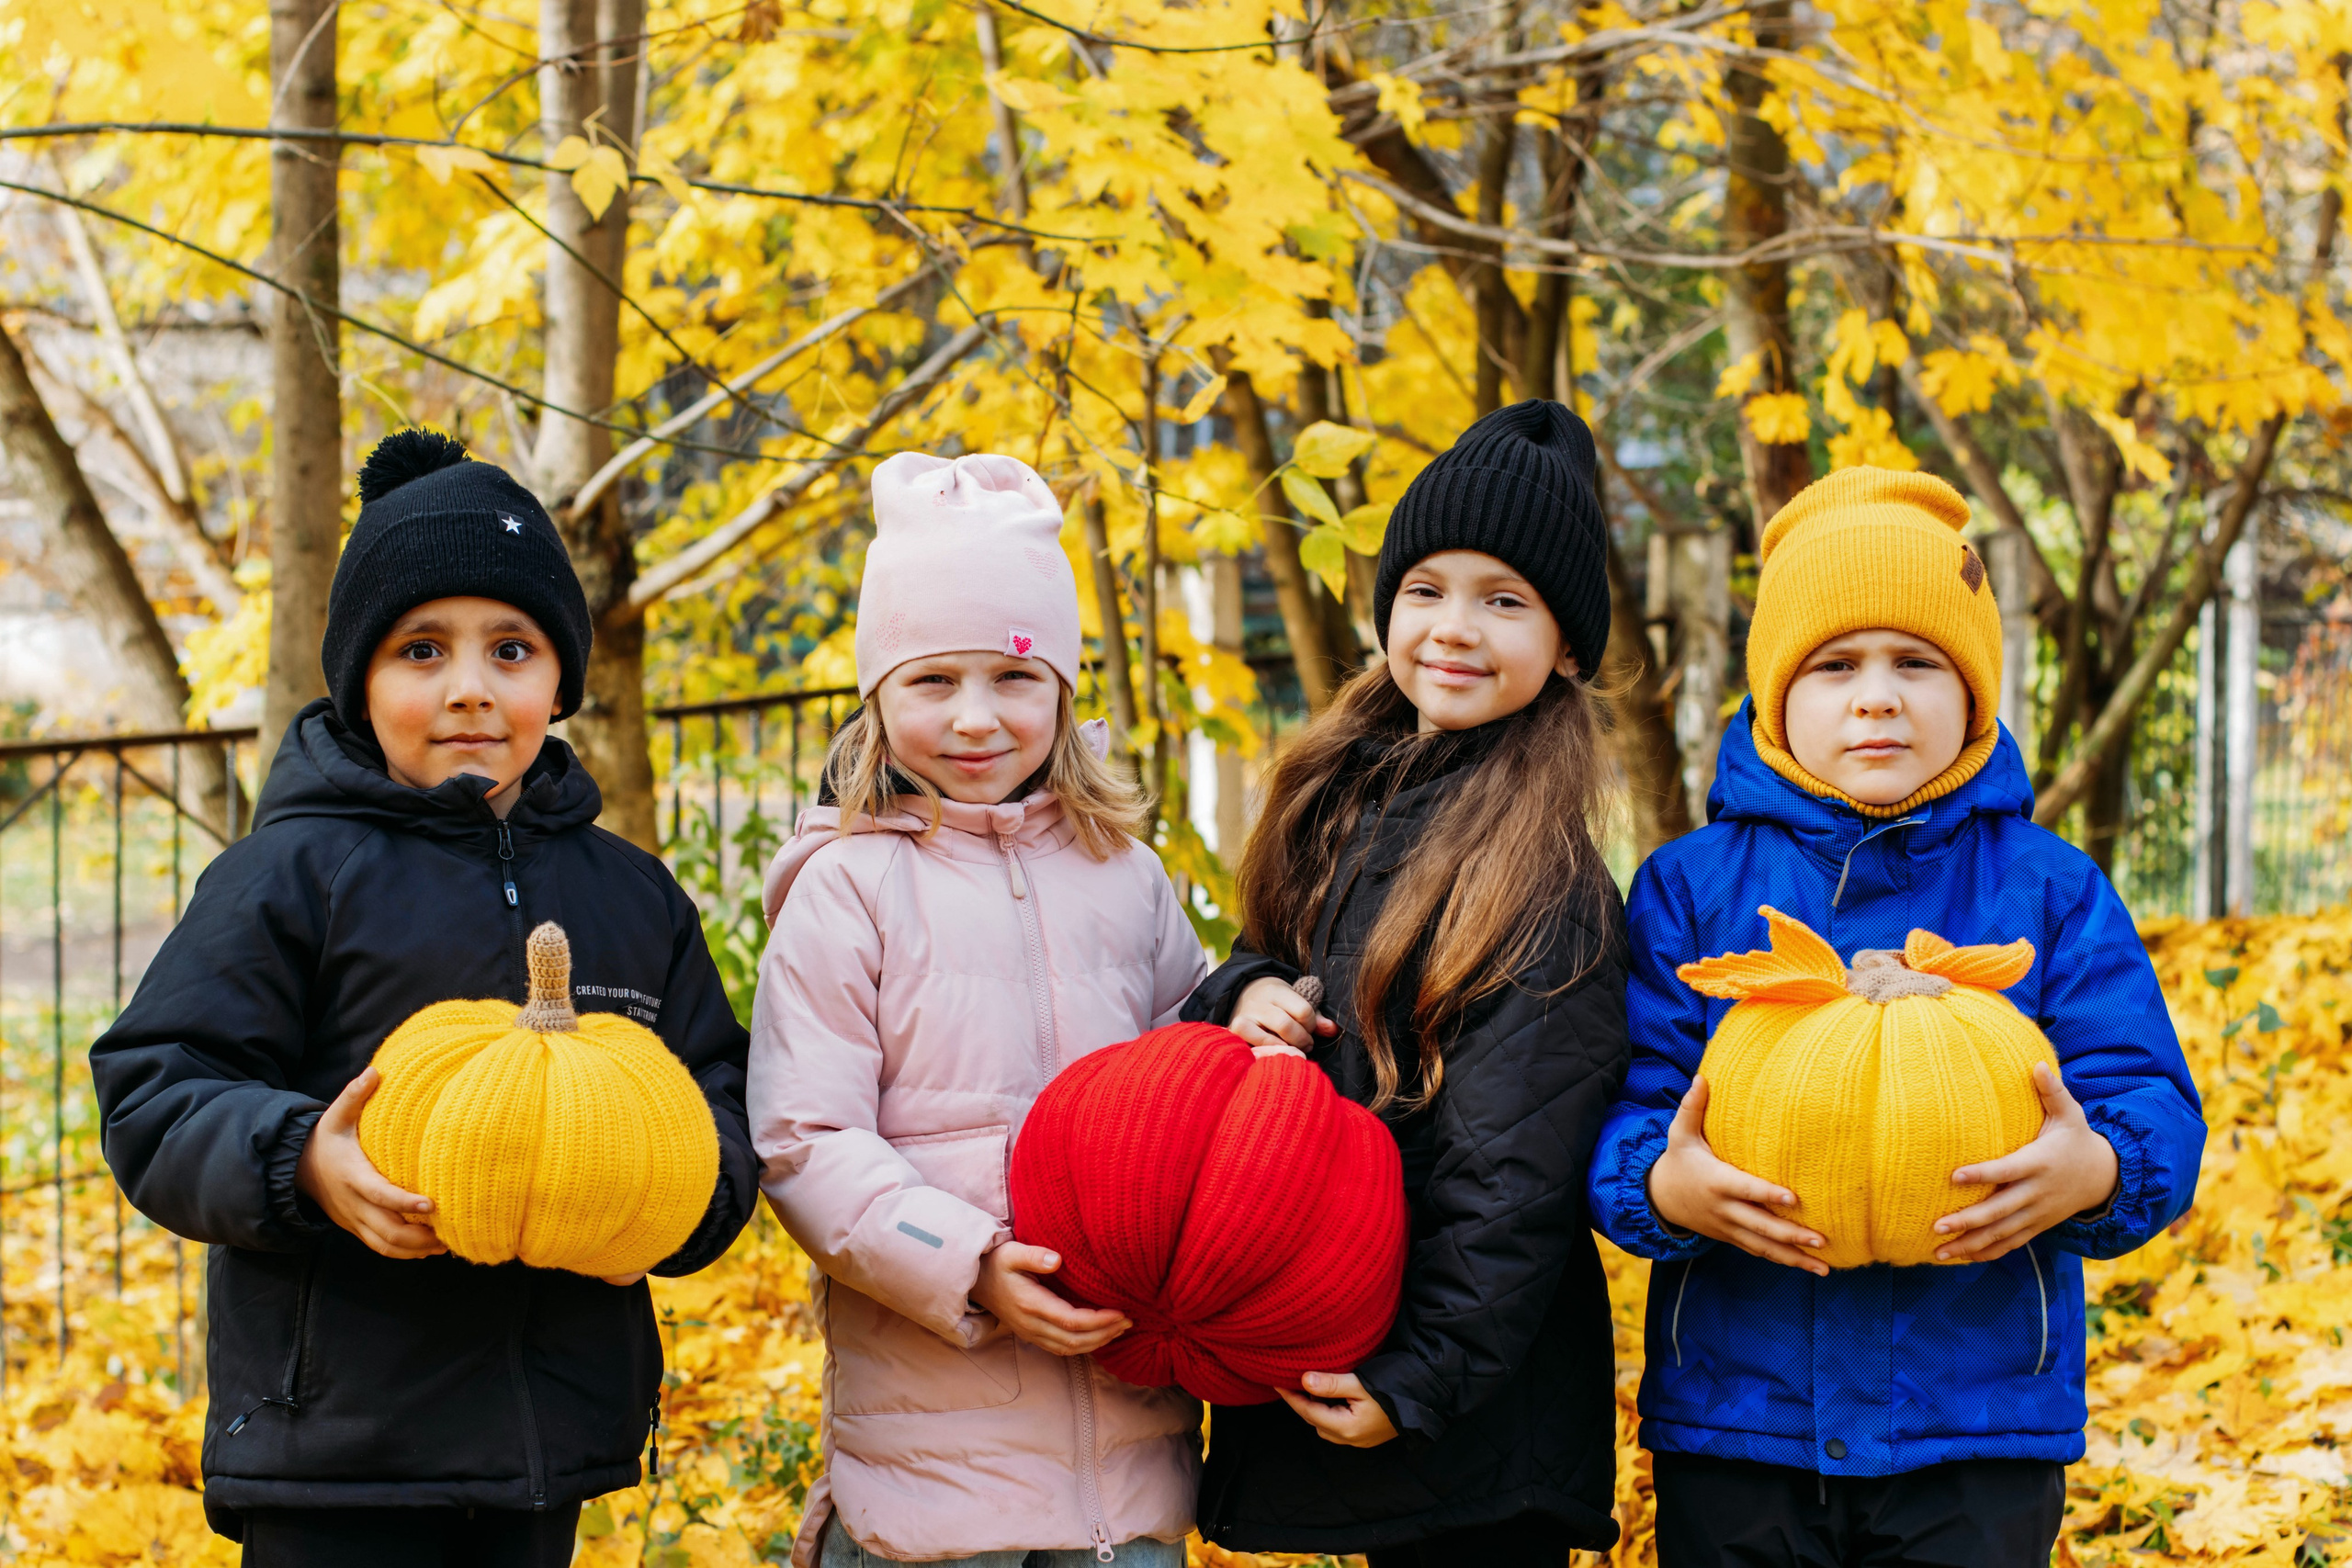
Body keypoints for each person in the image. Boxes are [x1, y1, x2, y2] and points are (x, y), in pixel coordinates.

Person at [90, 430, 760, 1568]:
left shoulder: (631, 895)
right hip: (335, 1448)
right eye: (420, 650)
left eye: (511, 648)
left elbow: (718, 1097)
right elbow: (157, 1090)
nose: (469, 688)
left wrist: (675, 1208)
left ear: (559, 679)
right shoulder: (290, 877)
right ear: (359, 680)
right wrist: (303, 1161)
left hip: (546, 1433)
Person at [1587, 467, 2206, 1566]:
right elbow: (1626, 1098)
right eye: (1835, 667)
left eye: (1917, 663)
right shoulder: (1688, 891)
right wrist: (1662, 1185)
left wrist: (2098, 1169)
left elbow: (2144, 1093)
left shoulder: (2047, 891)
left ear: (1975, 693)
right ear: (1776, 698)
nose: (1877, 697)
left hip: (1975, 1423)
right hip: (1742, 1412)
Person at [1179, 400, 1630, 1564]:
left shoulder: (1545, 880)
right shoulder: (1335, 798)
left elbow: (1514, 1174)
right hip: (1338, 1296)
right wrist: (1237, 990)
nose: (1454, 628)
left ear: (1566, 646)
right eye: (1425, 588)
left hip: (1466, 1397)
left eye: (1505, 600)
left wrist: (1422, 1373)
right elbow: (1270, 958)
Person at [748, 451, 1209, 1567]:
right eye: (930, 681)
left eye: (1013, 677)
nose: (976, 719)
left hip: (1132, 1451)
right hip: (930, 1471)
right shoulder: (847, 889)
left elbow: (1197, 1092)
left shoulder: (1126, 876)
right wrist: (971, 1264)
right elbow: (806, 1143)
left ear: (1060, 689)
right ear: (877, 697)